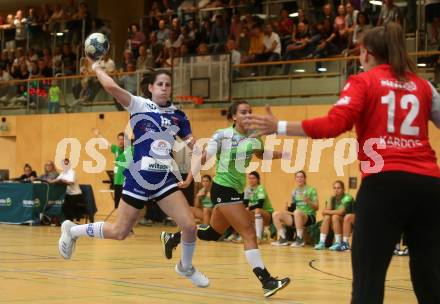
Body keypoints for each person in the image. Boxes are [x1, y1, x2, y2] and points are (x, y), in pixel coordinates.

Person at [249, 22, 440, 304]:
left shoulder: (364, 82)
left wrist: (280, 125)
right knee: (431, 280)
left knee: (368, 281)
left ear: (366, 53)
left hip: (384, 185)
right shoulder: (424, 86)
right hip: (429, 186)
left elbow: (333, 125)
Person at [58, 61, 210, 288]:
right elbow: (112, 88)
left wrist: (198, 161)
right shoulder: (139, 105)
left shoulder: (178, 116)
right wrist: (98, 69)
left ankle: (185, 267)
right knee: (119, 232)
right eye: (160, 84)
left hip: (163, 180)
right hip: (138, 177)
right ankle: (73, 230)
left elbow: (194, 147)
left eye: (168, 84)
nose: (164, 88)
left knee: (189, 226)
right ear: (150, 87)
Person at [160, 101, 290, 298]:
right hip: (222, 188)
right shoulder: (222, 135)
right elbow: (204, 157)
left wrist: (281, 154)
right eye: (243, 112)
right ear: (234, 117)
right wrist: (188, 179)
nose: (248, 115)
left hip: (236, 190)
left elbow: (261, 154)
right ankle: (267, 281)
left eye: (250, 112)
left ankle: (174, 237)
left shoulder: (255, 136)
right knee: (248, 231)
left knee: (212, 233)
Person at [271, 170, 318, 247]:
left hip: (309, 217)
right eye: (297, 177)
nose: (299, 179)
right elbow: (293, 208)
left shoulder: (311, 190)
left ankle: (300, 240)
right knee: (276, 214)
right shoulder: (294, 191)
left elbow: (316, 207)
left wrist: (309, 202)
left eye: (301, 177)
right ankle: (283, 239)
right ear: (295, 179)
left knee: (297, 212)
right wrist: (287, 209)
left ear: (305, 178)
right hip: (297, 216)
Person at [314, 180, 354, 250]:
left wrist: (327, 211)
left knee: (334, 216)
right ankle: (322, 242)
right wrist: (330, 199)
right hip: (336, 222)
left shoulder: (348, 197)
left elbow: (341, 212)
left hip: (348, 223)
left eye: (339, 188)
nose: (336, 190)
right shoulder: (333, 198)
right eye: (335, 188)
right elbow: (324, 213)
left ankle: (338, 242)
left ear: (343, 189)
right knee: (327, 217)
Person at [243, 171, 274, 242]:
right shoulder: (247, 189)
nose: (251, 180)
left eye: (253, 178)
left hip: (267, 215)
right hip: (256, 215)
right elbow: (245, 203)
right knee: (243, 212)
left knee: (257, 210)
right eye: (250, 178)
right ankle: (244, 235)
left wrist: (249, 208)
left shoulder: (260, 188)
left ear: (258, 179)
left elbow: (260, 204)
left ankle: (258, 237)